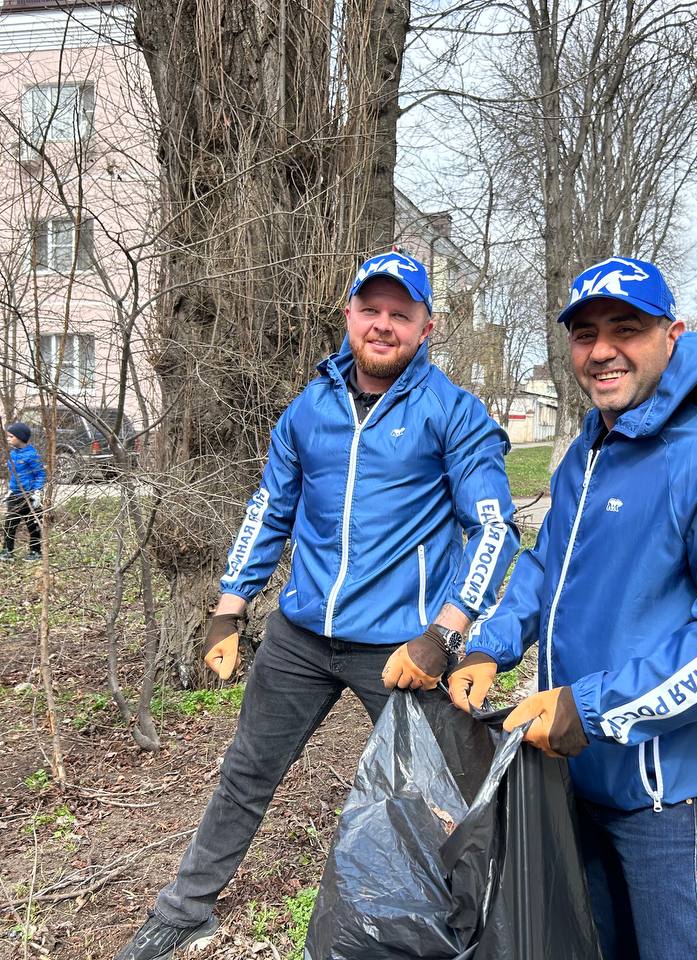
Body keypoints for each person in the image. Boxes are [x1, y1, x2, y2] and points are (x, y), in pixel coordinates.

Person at [114, 251, 520, 960]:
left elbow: (494, 528)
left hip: (401, 651)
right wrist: (229, 608)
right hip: (301, 636)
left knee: (433, 797)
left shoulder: (453, 413)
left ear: (429, 327)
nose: (384, 325)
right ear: (349, 316)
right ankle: (186, 908)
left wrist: (445, 635)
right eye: (372, 310)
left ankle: (465, 932)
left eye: (402, 314)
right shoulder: (311, 408)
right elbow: (269, 508)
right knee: (246, 771)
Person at [448, 257, 697, 960]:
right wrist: (491, 645)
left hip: (681, 801)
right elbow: (550, 565)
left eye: (626, 329)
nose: (601, 350)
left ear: (673, 334)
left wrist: (592, 707)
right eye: (584, 334)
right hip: (582, 777)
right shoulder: (590, 450)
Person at [0, 421, 45, 562]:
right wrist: (11, 490)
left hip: (29, 496)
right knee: (10, 523)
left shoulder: (31, 455)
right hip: (15, 495)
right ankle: (7, 551)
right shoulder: (13, 454)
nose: (8, 439)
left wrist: (37, 492)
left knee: (33, 525)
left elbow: (40, 474)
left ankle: (35, 552)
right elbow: (15, 476)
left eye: (11, 436)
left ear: (20, 437)